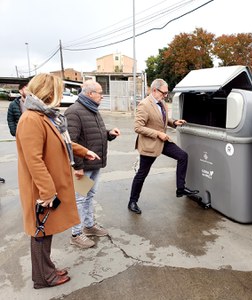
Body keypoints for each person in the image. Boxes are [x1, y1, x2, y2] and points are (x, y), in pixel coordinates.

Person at [16, 73, 99, 289]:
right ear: (49, 92)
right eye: (58, 91)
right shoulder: (31, 119)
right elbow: (34, 160)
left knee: (46, 230)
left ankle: (47, 269)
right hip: (41, 190)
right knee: (40, 232)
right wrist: (47, 192)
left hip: (48, 187)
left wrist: (84, 151)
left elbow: (63, 142)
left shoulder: (44, 115)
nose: (61, 96)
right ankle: (42, 278)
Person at [128, 78, 198, 214]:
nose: (166, 96)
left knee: (183, 156)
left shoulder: (162, 102)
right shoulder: (144, 105)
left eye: (167, 93)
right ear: (154, 90)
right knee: (142, 174)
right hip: (150, 144)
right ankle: (132, 201)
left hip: (163, 141)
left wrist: (174, 122)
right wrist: (158, 134)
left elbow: (161, 121)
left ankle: (180, 188)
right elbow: (138, 127)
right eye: (164, 93)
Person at [65, 80, 120, 249]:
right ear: (90, 94)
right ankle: (76, 234)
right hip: (83, 167)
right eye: (100, 92)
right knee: (79, 200)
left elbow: (94, 133)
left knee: (89, 196)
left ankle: (89, 226)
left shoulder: (92, 109)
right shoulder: (74, 112)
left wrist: (109, 133)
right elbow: (70, 143)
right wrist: (78, 166)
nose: (102, 95)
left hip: (94, 164)